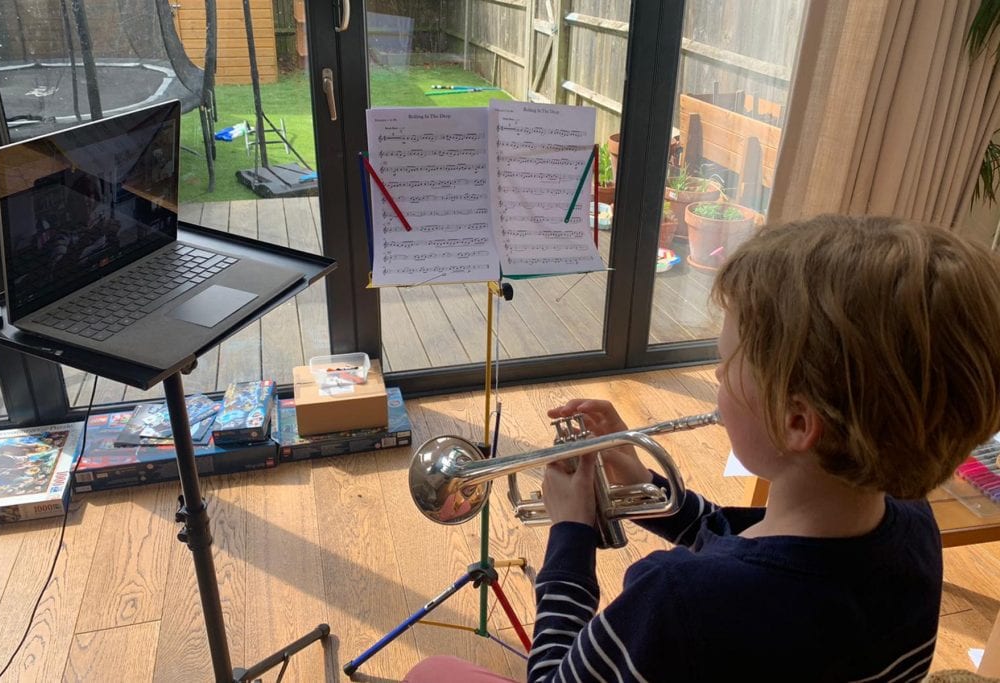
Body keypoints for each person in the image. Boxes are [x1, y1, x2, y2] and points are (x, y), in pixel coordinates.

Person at [404, 215, 1000, 682]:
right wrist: (644, 492)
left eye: (723, 366)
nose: (714, 379)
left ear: (796, 421)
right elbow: (744, 547)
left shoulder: (676, 599)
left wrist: (570, 536)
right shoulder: (915, 529)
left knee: (430, 671)